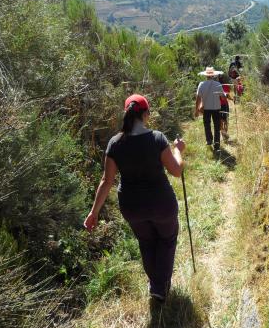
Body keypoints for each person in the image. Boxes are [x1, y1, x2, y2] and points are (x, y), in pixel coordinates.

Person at [84, 94, 185, 303]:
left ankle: (156, 284)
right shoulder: (157, 138)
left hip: (132, 206)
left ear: (127, 114)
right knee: (167, 240)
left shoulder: (115, 143)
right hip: (162, 203)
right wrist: (178, 150)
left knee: (146, 242)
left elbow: (106, 181)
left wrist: (94, 212)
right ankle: (159, 287)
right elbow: (176, 171)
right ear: (146, 114)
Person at [195, 66, 225, 151]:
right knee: (217, 126)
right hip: (216, 108)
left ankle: (209, 140)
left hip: (206, 109)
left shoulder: (201, 84)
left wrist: (196, 110)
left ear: (206, 75)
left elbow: (198, 98)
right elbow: (223, 97)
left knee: (207, 125)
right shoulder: (218, 84)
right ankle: (217, 145)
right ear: (213, 75)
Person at [218, 74, 231, 140]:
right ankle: (225, 133)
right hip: (225, 105)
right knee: (226, 119)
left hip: (218, 105)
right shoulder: (226, 86)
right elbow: (227, 95)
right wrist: (232, 99)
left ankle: (223, 134)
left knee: (220, 120)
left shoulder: (216, 86)